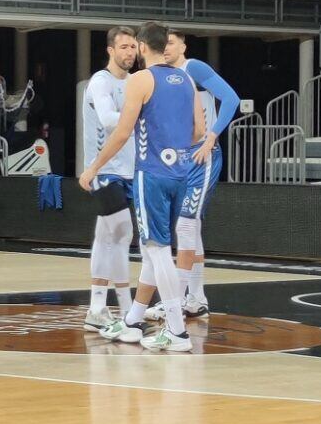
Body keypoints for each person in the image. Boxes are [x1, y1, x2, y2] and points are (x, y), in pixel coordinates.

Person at [78, 22, 204, 353]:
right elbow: (198, 131)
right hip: (182, 170)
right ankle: (133, 318)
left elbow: (121, 132)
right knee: (152, 248)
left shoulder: (140, 80)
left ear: (144, 46)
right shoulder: (187, 80)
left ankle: (176, 329)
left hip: (150, 173)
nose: (133, 52)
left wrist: (92, 167)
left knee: (155, 248)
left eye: (135, 46)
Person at [161, 28, 239, 319]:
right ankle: (196, 297)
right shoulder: (161, 73)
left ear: (183, 44)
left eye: (170, 42)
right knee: (190, 226)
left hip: (202, 156)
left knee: (185, 225)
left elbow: (231, 98)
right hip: (178, 158)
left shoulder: (192, 67)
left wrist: (212, 136)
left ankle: (178, 301)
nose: (166, 48)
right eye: (162, 43)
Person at [80, 26, 140, 330]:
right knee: (122, 232)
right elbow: (107, 119)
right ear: (110, 51)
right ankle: (127, 308)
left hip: (129, 170)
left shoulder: (134, 82)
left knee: (107, 237)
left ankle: (98, 308)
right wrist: (143, 113)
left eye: (133, 47)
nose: (130, 52)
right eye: (124, 47)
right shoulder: (100, 82)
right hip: (103, 169)